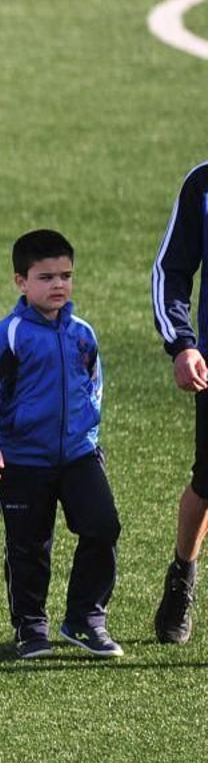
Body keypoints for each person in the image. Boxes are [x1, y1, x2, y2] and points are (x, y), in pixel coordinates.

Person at [0, 229, 123, 659]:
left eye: (66, 275)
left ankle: (85, 618)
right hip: (21, 462)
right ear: (21, 281)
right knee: (29, 546)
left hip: (78, 455)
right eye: (46, 277)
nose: (58, 285)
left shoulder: (82, 333)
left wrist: (89, 439)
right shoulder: (10, 335)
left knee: (103, 526)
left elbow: (93, 388)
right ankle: (31, 626)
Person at [149, 159, 208, 644]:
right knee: (206, 483)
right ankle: (183, 574)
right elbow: (171, 270)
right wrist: (183, 343)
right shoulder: (202, 183)